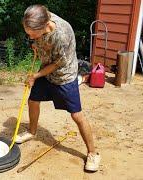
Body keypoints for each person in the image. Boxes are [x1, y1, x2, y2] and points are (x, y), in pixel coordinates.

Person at [16, 4, 101, 172]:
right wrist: (37, 46)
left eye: (32, 34)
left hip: (64, 76)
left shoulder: (61, 35)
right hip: (46, 69)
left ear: (44, 26)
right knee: (33, 100)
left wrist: (36, 75)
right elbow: (42, 45)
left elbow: (57, 64)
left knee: (76, 115)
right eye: (28, 33)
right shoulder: (40, 18)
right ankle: (32, 131)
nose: (30, 37)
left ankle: (93, 153)